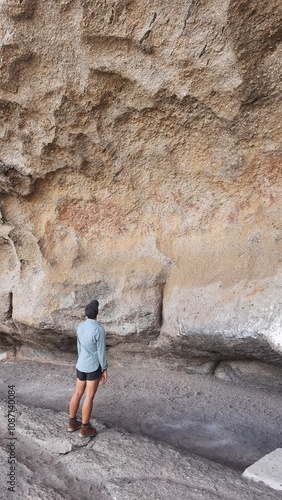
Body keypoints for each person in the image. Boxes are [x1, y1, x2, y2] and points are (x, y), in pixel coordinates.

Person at [68, 299, 108, 437]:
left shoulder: (80, 327)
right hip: (93, 367)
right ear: (97, 313)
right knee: (89, 396)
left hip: (81, 364)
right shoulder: (99, 329)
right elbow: (101, 351)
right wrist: (104, 368)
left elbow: (79, 347)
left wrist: (81, 360)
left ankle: (72, 423)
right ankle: (85, 428)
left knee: (77, 393)